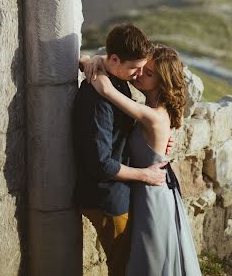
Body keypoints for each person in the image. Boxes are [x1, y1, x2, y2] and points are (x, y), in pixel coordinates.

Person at [84, 43, 202, 276]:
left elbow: (105, 90)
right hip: (144, 188)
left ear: (163, 81)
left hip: (151, 196)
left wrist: (94, 62)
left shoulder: (154, 116)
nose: (139, 75)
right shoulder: (152, 107)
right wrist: (96, 58)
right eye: (141, 69)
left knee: (149, 261)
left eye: (148, 73)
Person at [73, 24, 171, 276]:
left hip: (120, 192)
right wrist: (145, 175)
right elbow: (101, 163)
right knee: (124, 267)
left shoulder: (115, 78)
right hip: (108, 198)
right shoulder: (98, 100)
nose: (139, 74)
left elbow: (122, 132)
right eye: (135, 68)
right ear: (115, 59)